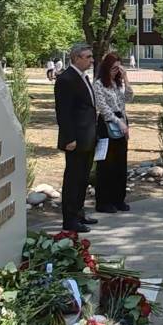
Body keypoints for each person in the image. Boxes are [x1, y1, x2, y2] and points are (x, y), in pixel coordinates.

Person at [53, 42, 100, 232]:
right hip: (76, 139)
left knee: (83, 178)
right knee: (73, 179)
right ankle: (70, 220)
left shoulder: (82, 77)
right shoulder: (66, 79)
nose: (91, 60)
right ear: (76, 58)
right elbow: (63, 112)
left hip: (88, 137)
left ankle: (79, 213)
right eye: (88, 57)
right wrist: (69, 137)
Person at [92, 52, 134, 215]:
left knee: (120, 164)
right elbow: (104, 109)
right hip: (108, 125)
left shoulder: (117, 84)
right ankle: (104, 201)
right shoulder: (99, 84)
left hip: (122, 122)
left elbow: (128, 99)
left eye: (119, 68)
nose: (116, 71)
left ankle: (119, 199)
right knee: (106, 165)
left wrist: (125, 79)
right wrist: (119, 123)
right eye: (114, 68)